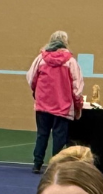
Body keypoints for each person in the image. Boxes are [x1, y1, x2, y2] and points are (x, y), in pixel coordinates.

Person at [28, 32, 84, 173]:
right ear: (65, 42)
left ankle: (37, 163)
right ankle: (56, 166)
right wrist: (78, 103)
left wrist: (37, 92)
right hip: (62, 106)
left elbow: (31, 78)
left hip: (43, 104)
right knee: (59, 137)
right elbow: (77, 86)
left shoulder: (41, 59)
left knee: (42, 134)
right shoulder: (70, 61)